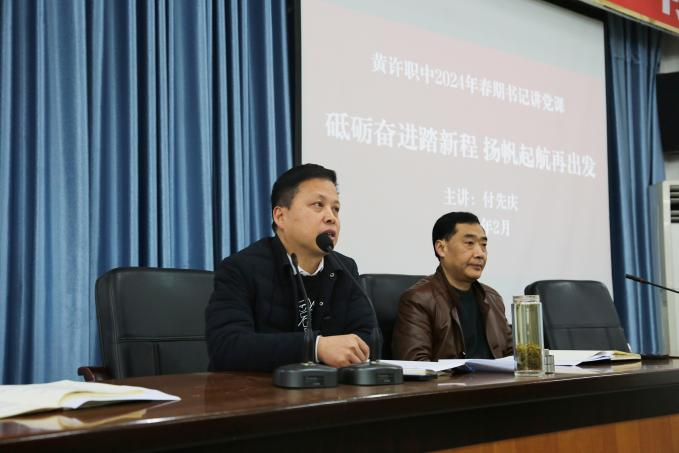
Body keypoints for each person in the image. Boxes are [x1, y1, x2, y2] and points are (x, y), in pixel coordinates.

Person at [206, 163, 374, 371]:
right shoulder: (240, 268)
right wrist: (316, 347)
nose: (331, 217)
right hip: (256, 389)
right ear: (280, 216)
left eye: (335, 209)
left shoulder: (344, 268)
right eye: (318, 205)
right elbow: (227, 346)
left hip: (328, 388)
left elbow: (369, 338)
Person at [392, 212, 512, 361]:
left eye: (483, 245)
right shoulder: (418, 300)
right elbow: (416, 365)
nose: (480, 254)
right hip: (451, 378)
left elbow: (512, 358)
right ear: (441, 248)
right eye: (469, 243)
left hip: (496, 378)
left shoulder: (493, 298)